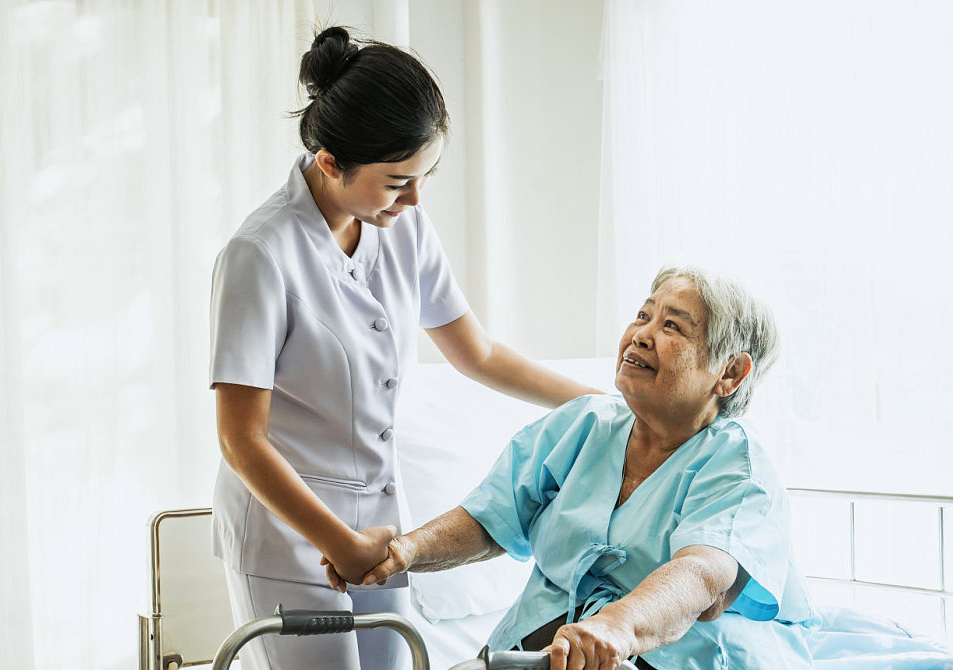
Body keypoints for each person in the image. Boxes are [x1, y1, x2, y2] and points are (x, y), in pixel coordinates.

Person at [208, 26, 603, 669]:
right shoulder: (260, 256)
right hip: (287, 531)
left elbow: (477, 353)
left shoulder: (401, 223)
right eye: (398, 181)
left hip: (380, 525)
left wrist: (609, 403)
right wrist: (340, 542)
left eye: (424, 175)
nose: (416, 199)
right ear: (331, 162)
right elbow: (241, 440)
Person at [339, 266, 816, 670]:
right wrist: (403, 551)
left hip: (670, 656)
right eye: (643, 315)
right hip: (536, 646)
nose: (642, 335)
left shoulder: (737, 464)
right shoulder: (584, 424)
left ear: (729, 373)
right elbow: (491, 517)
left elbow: (702, 576)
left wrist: (618, 626)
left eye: (673, 327)